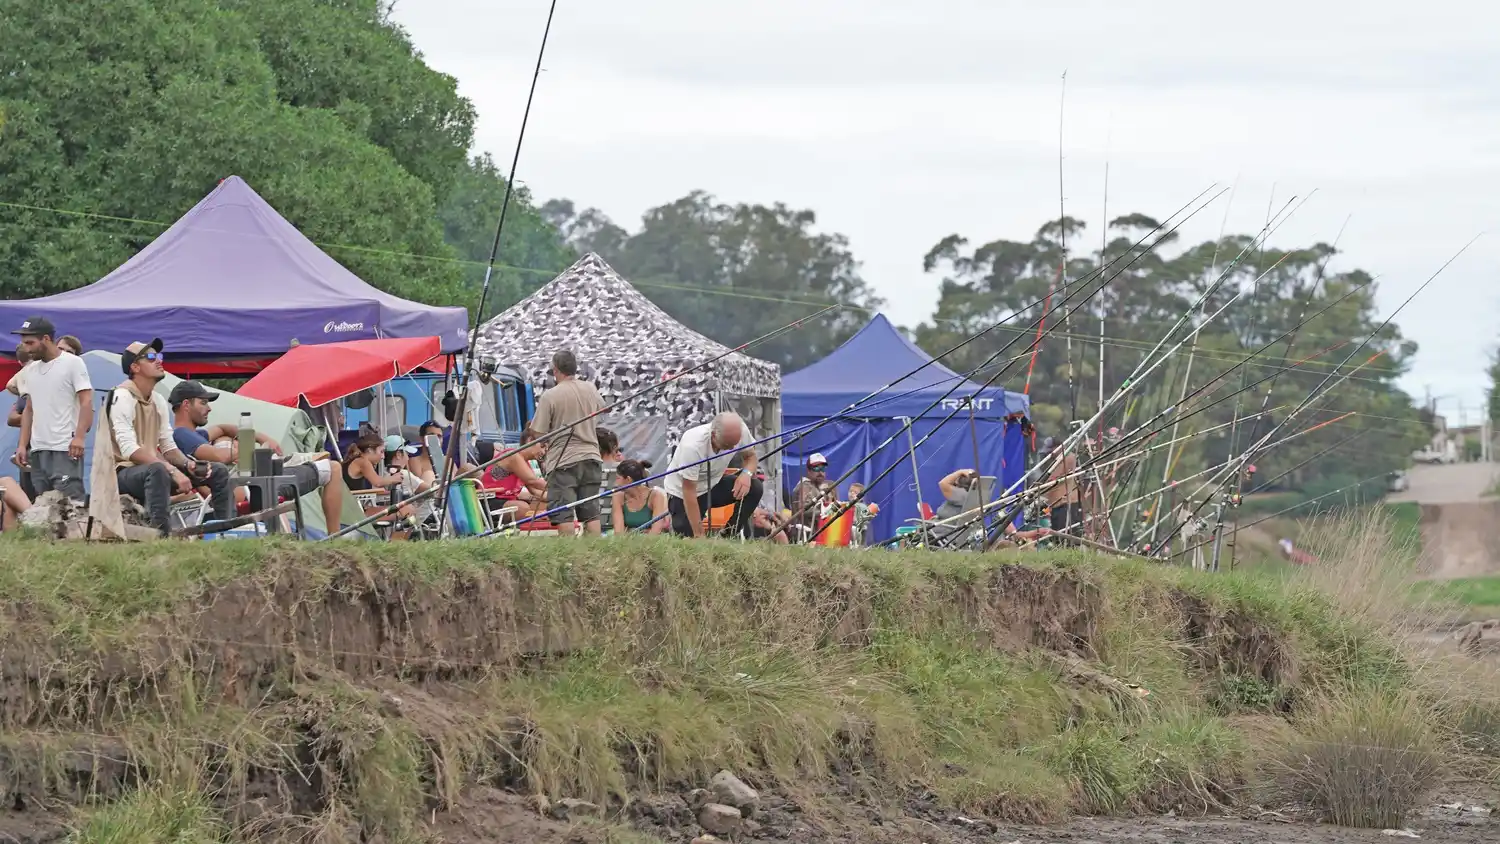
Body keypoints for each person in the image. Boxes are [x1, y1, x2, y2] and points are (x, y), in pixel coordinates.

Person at [169, 380, 343, 532]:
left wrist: (260, 437)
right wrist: (250, 450)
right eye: (203, 403)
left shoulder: (195, 435)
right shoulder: (181, 435)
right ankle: (334, 537)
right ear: (186, 404)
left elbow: (222, 428)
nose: (209, 408)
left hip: (251, 485)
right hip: (254, 489)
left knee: (320, 461)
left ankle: (333, 535)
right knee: (333, 468)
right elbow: (219, 456)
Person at [107, 339, 232, 535]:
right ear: (135, 367)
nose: (158, 360)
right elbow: (128, 450)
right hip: (121, 474)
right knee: (157, 469)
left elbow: (167, 446)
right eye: (150, 357)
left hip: (154, 470)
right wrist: (172, 470)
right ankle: (160, 538)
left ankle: (224, 532)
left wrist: (187, 464)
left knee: (217, 471)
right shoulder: (121, 397)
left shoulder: (157, 400)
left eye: (159, 356)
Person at [13, 317, 93, 501]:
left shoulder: (72, 363)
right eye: (24, 343)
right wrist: (22, 445)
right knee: (44, 505)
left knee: (71, 504)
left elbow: (86, 401)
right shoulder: (31, 370)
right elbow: (29, 410)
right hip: (39, 449)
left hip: (65, 447)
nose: (26, 348)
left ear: (46, 339)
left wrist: (79, 437)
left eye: (30, 343)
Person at [526, 350, 605, 536]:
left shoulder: (550, 396)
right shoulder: (590, 388)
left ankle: (568, 557)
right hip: (591, 457)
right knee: (591, 513)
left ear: (555, 370)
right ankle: (595, 555)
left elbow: (538, 431)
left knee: (564, 513)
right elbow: (601, 410)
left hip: (563, 461)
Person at [663, 411, 763, 539]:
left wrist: (746, 474)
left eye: (735, 445)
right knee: (687, 542)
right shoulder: (693, 446)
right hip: (682, 493)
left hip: (713, 485)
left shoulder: (741, 431)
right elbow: (689, 490)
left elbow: (751, 457)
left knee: (755, 488)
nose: (732, 448)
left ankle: (728, 535)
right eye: (727, 445)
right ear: (714, 434)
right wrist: (699, 534)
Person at [476, 435, 546, 519]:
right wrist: (561, 491)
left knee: (534, 505)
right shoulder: (513, 456)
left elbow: (535, 492)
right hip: (489, 501)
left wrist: (558, 498)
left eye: (546, 450)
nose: (543, 452)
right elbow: (535, 482)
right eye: (542, 447)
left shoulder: (525, 464)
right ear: (530, 440)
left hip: (502, 500)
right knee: (522, 508)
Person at [611, 458, 666, 534]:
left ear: (628, 479)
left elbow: (656, 531)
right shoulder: (617, 497)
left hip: (651, 543)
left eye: (618, 478)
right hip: (627, 543)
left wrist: (631, 532)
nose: (615, 483)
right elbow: (619, 532)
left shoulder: (656, 496)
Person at [1042, 437, 1083, 535]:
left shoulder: (1069, 457)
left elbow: (1053, 479)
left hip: (1066, 504)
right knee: (1057, 536)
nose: (1049, 454)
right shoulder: (1056, 460)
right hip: (1056, 505)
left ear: (1059, 447)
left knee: (1066, 536)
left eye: (1051, 450)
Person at [788, 453, 831, 538]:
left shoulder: (816, 487)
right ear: (808, 470)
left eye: (823, 468)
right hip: (804, 537)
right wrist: (827, 512)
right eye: (816, 468)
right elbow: (803, 510)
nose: (820, 472)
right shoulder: (805, 486)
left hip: (815, 535)